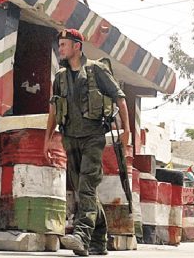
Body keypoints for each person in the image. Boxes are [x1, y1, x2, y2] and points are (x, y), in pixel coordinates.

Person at [43, 29, 131, 256]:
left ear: (77, 46)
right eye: (59, 45)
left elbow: (120, 97)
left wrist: (127, 131)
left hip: (93, 138)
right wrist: (47, 139)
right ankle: (99, 240)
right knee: (83, 191)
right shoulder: (60, 77)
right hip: (70, 139)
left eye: (64, 45)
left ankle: (81, 236)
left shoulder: (96, 69)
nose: (60, 49)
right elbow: (54, 109)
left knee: (86, 188)